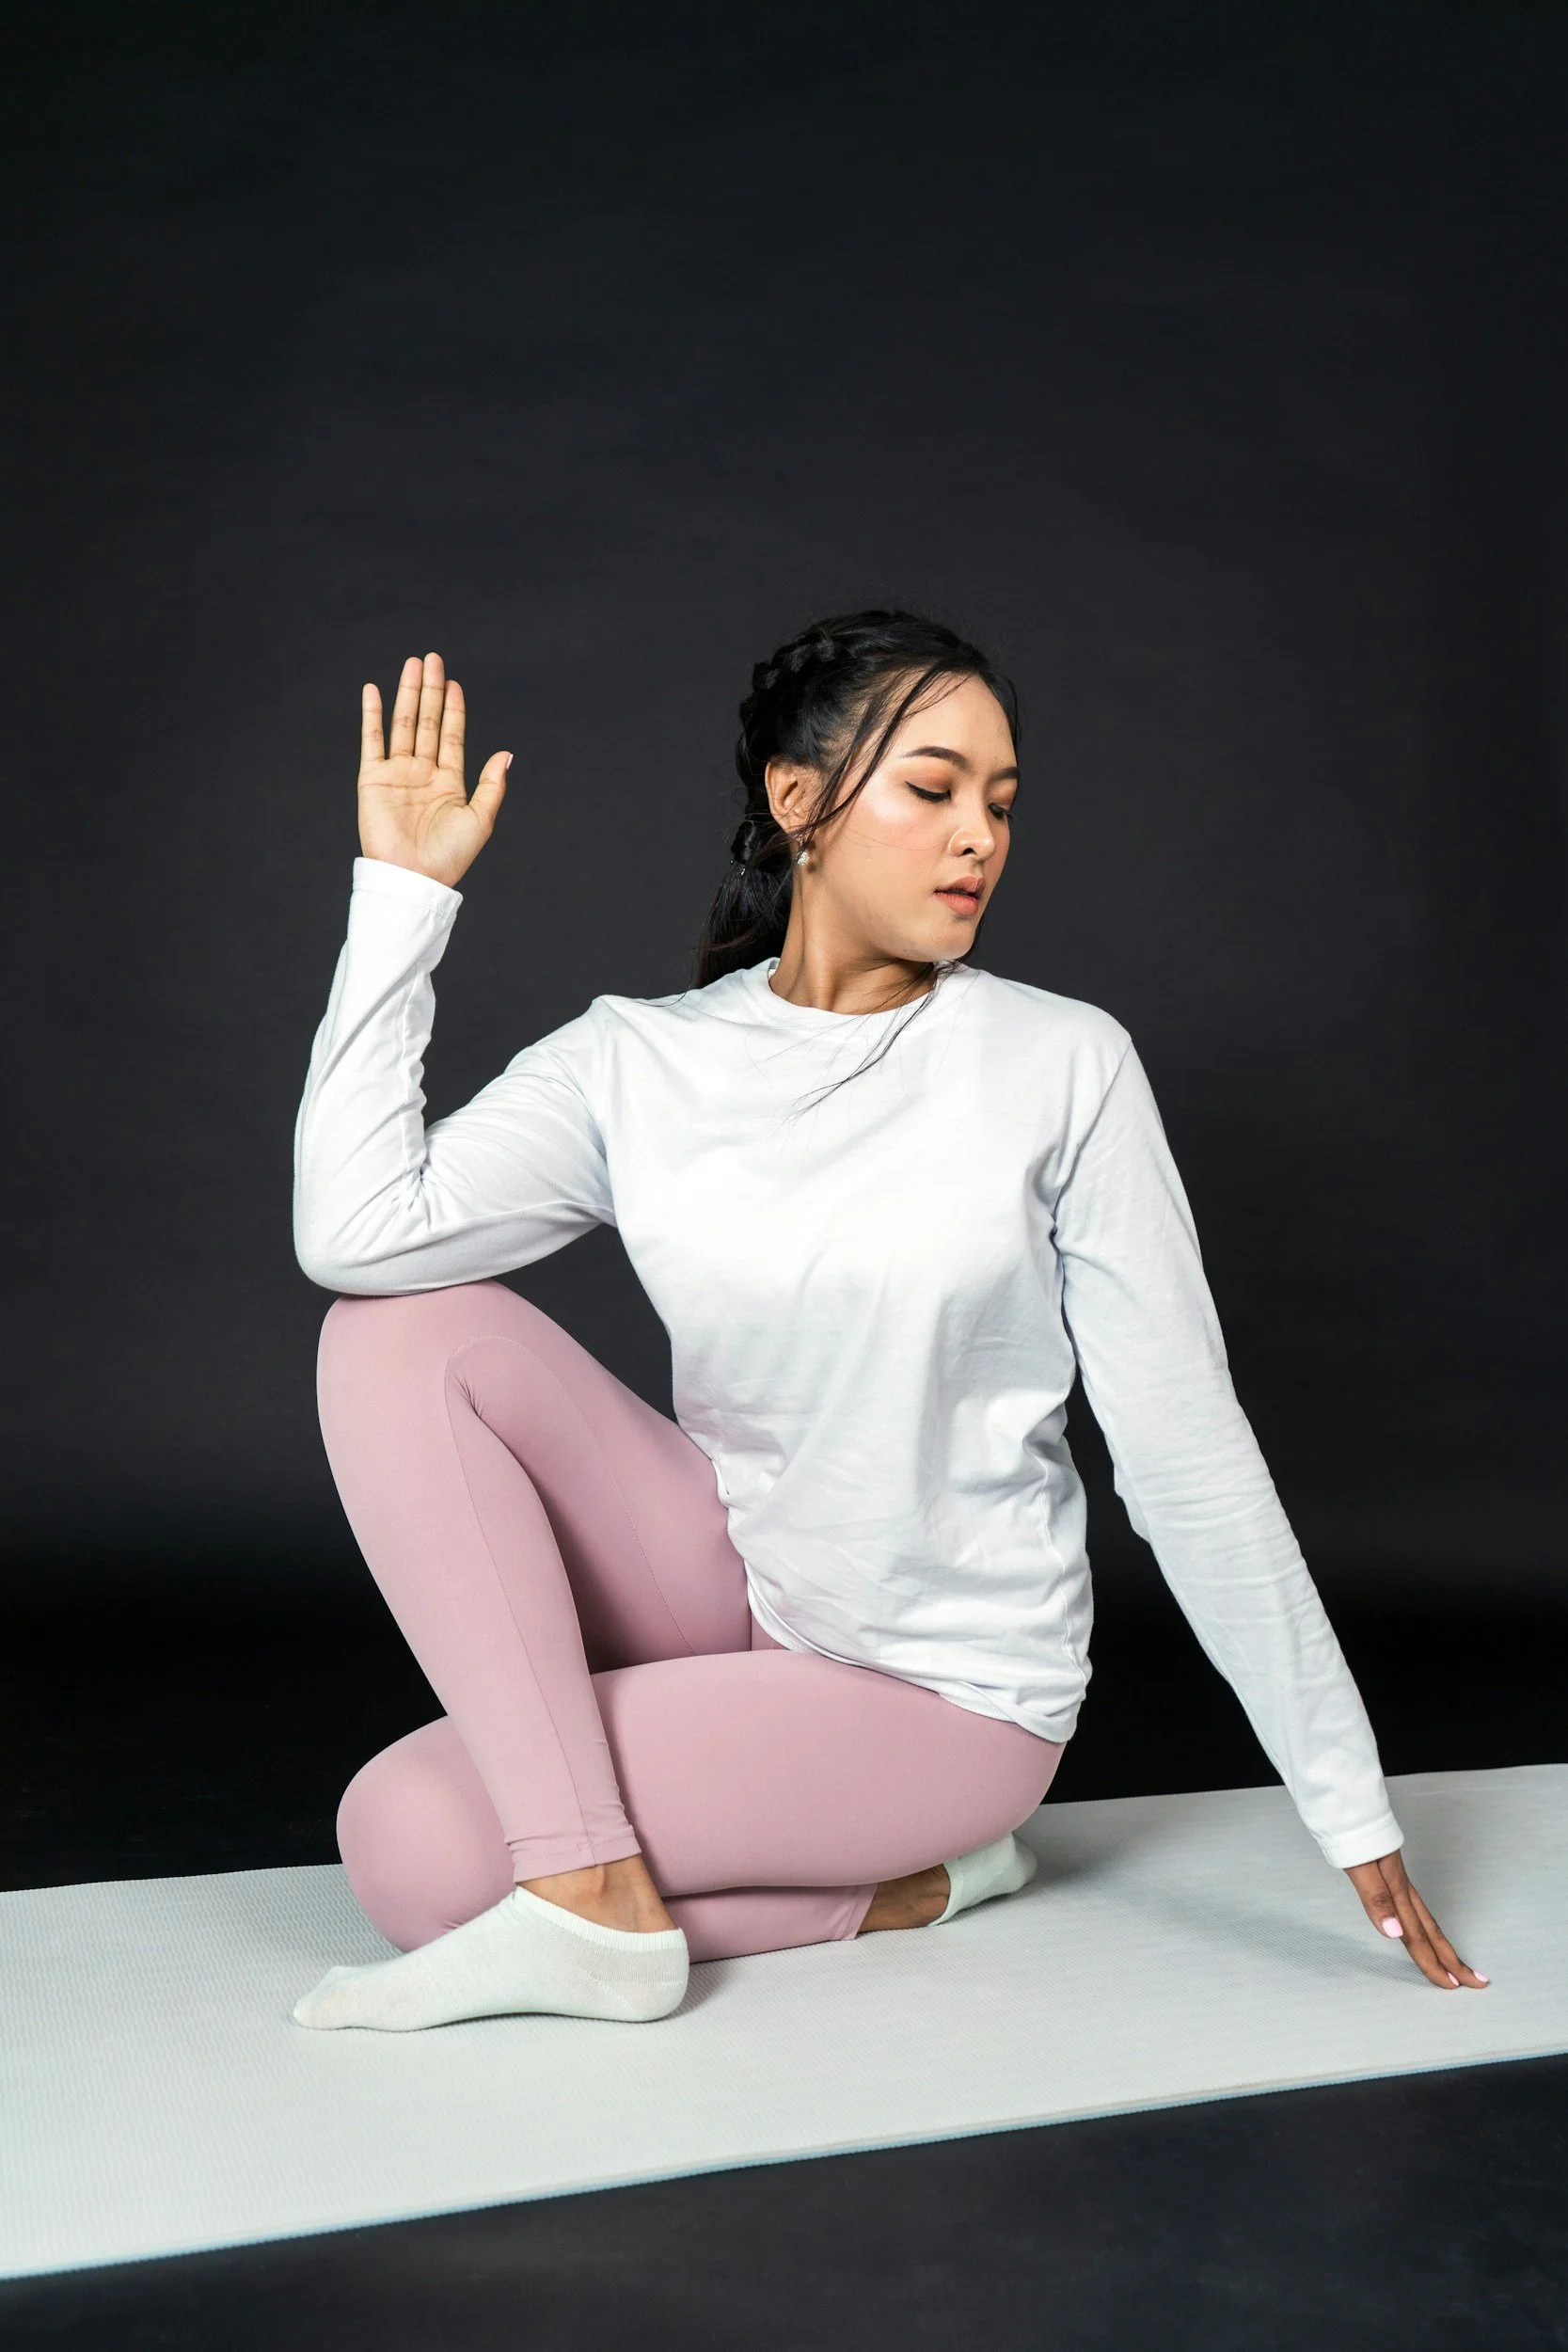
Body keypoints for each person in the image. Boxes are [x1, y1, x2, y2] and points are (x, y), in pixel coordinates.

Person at [288, 612, 1486, 2033]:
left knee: (411, 1846)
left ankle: (711, 1884)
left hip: (940, 1699)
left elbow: (1182, 1456)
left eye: (999, 802)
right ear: (799, 803)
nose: (976, 836)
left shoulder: (1059, 1063)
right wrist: (401, 898)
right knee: (387, 1334)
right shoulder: (643, 1060)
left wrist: (1350, 1805)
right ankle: (643, 1895)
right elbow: (355, 1236)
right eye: (931, 789)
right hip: (743, 1590)